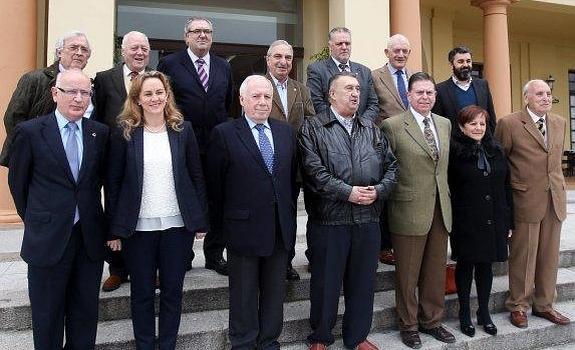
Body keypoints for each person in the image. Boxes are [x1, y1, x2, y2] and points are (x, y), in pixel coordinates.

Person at [105, 71, 208, 349]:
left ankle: (167, 345)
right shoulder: (125, 132)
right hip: (138, 228)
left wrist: (199, 220)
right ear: (137, 98)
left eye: (159, 92)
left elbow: (195, 176)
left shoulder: (182, 130)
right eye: (148, 93)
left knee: (173, 291)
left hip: (176, 226)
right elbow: (113, 183)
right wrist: (113, 228)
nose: (155, 98)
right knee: (142, 293)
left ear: (167, 95)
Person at [8, 69, 109, 349]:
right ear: (55, 94)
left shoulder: (98, 133)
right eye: (71, 92)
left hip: (88, 241)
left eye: (85, 93)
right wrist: (39, 219)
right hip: (47, 241)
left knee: (85, 316)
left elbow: (101, 180)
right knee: (47, 318)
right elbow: (19, 183)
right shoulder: (29, 132)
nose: (78, 99)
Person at [299, 72, 398, 350]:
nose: (355, 93)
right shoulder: (314, 127)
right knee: (325, 284)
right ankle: (320, 336)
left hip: (367, 219)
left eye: (358, 89)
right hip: (330, 221)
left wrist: (378, 190)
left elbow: (391, 167)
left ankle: (357, 337)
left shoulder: (371, 128)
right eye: (348, 89)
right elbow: (313, 172)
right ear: (332, 95)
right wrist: (348, 192)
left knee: (363, 284)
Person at [206, 75, 297, 349]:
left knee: (274, 295)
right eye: (255, 96)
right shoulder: (224, 133)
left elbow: (290, 181)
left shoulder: (286, 133)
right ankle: (243, 343)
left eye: (267, 97)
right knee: (243, 295)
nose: (262, 102)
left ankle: (269, 342)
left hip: (278, 229)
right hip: (242, 230)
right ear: (242, 100)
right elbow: (215, 186)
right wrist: (220, 230)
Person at [381, 72, 455, 349]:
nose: (425, 97)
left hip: (440, 208)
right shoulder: (393, 126)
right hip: (408, 209)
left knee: (435, 271)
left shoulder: (445, 124)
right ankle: (409, 325)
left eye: (430, 93)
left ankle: (432, 320)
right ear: (408, 95)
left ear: (435, 96)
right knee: (407, 274)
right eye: (420, 93)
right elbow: (387, 168)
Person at [158, 16, 233, 275]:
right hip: (183, 143)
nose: (202, 35)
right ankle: (184, 255)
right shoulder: (169, 63)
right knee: (185, 197)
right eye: (196, 31)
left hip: (216, 145)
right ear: (186, 36)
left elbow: (228, 103)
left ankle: (214, 254)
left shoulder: (224, 66)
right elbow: (165, 103)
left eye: (207, 31)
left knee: (218, 198)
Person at [495, 79, 571, 329]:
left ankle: (545, 304)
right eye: (539, 94)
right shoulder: (509, 124)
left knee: (549, 256)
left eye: (549, 93)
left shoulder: (559, 123)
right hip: (525, 199)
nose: (545, 98)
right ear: (526, 97)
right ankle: (518, 305)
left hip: (554, 200)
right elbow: (499, 163)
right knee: (523, 255)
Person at [94, 30, 151, 292]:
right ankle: (117, 268)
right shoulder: (105, 79)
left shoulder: (158, 79)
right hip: (115, 156)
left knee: (147, 210)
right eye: (134, 48)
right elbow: (98, 118)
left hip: (149, 153)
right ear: (123, 51)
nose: (139, 53)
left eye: (144, 49)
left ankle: (149, 267)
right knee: (115, 208)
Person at [448, 105, 513, 337]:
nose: (478, 128)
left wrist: (508, 221)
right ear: (462, 127)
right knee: (465, 267)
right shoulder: (453, 153)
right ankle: (464, 313)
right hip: (466, 220)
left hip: (493, 218)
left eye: (482, 124)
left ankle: (483, 313)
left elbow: (506, 186)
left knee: (486, 267)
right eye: (473, 124)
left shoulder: (495, 149)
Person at [1, 31, 93, 166]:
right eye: (73, 48)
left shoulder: (91, 86)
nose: (79, 53)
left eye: (84, 50)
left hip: (74, 163)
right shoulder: (35, 79)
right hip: (35, 160)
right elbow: (14, 118)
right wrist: (31, 151)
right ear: (59, 52)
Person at [265, 39, 315, 281]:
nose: (283, 62)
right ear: (268, 59)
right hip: (264, 165)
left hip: (294, 166)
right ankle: (266, 261)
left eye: (287, 57)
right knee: (266, 214)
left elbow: (312, 123)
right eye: (278, 57)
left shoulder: (301, 89)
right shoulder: (258, 86)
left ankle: (286, 262)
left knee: (289, 215)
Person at [371, 33, 412, 266]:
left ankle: (403, 241)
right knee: (386, 195)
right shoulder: (374, 76)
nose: (400, 54)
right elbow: (371, 109)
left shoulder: (416, 77)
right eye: (396, 50)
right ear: (387, 53)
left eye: (404, 51)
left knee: (406, 194)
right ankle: (384, 246)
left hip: (413, 145)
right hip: (384, 144)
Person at [307, 27, 379, 122]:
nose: (344, 47)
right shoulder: (317, 70)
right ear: (330, 46)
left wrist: (360, 124)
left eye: (347, 43)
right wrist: (340, 123)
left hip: (362, 130)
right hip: (331, 130)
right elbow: (316, 102)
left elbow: (373, 104)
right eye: (339, 44)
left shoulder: (365, 71)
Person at [432, 46, 497, 132]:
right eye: (460, 62)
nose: (465, 65)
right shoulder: (440, 90)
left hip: (481, 142)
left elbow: (491, 117)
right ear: (451, 64)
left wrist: (491, 142)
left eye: (468, 61)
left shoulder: (482, 85)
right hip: (454, 143)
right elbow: (438, 123)